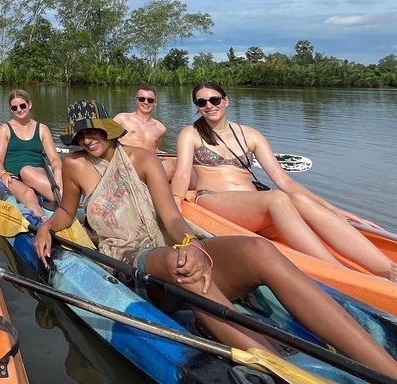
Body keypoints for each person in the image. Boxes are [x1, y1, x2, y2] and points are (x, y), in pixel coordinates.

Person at [34, 115, 397, 377]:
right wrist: (46, 226)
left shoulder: (141, 159)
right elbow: (67, 210)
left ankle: (386, 369)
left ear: (108, 130)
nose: (86, 139)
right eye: (80, 134)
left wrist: (191, 243)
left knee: (261, 252)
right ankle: (282, 369)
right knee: (182, 267)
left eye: (92, 131)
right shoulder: (74, 164)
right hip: (128, 257)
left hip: (167, 241)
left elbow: (172, 217)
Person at [172, 82, 395, 281]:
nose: (209, 105)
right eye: (201, 102)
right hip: (213, 200)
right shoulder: (190, 134)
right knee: (278, 198)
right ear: (197, 106)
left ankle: (388, 269)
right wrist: (175, 204)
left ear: (226, 100)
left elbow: (284, 180)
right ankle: (344, 274)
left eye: (214, 99)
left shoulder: (250, 134)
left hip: (253, 206)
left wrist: (333, 208)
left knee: (295, 197)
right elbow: (182, 174)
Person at [0, 89, 62, 218]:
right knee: (28, 194)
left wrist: (57, 175)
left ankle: (62, 198)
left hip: (35, 172)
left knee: (27, 171)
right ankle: (42, 223)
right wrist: (2, 173)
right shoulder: (5, 129)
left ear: (29, 105)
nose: (19, 110)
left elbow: (55, 160)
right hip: (13, 176)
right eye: (14, 107)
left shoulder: (42, 129)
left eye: (22, 105)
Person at [113, 86, 172, 178]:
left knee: (177, 164)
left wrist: (178, 157)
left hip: (149, 165)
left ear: (155, 103)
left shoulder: (161, 128)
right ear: (136, 100)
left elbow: (155, 149)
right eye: (141, 99)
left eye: (150, 100)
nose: (146, 102)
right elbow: (106, 142)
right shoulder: (122, 118)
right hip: (125, 164)